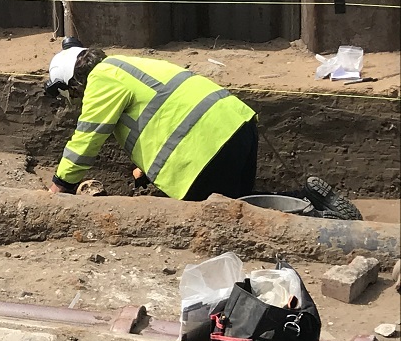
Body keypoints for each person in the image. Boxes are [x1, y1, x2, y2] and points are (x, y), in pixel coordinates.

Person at [44, 38, 361, 218]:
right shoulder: (127, 64)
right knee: (242, 201)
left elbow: (87, 137)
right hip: (237, 125)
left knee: (227, 218)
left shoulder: (101, 79)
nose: (77, 98)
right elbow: (161, 111)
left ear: (75, 81)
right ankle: (308, 198)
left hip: (206, 148)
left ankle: (324, 222)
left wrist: (62, 184)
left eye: (72, 93)